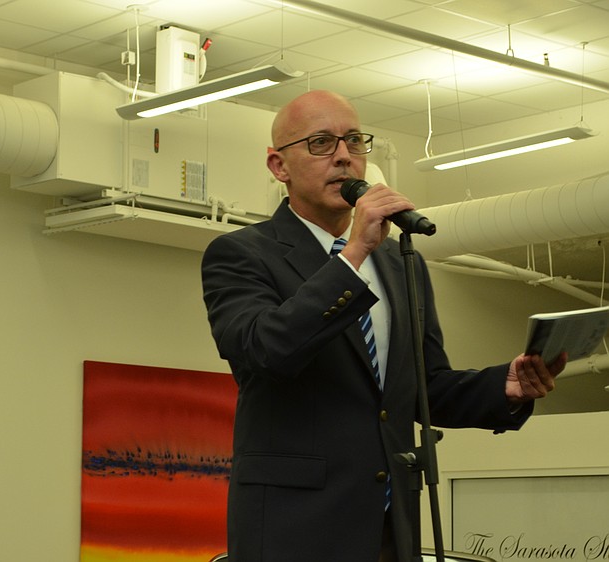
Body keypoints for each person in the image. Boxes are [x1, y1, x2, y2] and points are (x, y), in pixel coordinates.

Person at [200, 90, 566, 562]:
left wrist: (506, 386)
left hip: (391, 526)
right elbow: (265, 351)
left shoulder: (400, 262)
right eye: (320, 143)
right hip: (294, 528)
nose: (344, 157)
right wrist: (352, 256)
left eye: (354, 141)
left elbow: (424, 387)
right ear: (278, 165)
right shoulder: (241, 254)